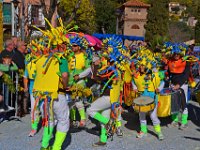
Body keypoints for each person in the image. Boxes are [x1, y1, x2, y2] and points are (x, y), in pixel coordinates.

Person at [87, 57, 122, 146]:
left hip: (108, 97)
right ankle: (103, 140)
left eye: (106, 60)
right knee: (103, 119)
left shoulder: (111, 71)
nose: (104, 61)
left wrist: (95, 65)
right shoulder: (117, 71)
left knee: (89, 110)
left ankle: (109, 123)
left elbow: (95, 77)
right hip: (112, 99)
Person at [132, 64, 165, 140]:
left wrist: (159, 89)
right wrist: (135, 88)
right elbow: (133, 82)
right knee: (142, 116)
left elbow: (162, 82)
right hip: (141, 99)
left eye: (143, 66)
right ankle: (143, 131)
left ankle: (159, 132)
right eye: (140, 66)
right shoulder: (137, 75)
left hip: (152, 98)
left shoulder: (155, 75)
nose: (141, 67)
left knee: (153, 116)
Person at [166, 53, 190, 130]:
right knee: (174, 103)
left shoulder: (186, 62)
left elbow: (186, 75)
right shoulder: (170, 61)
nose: (176, 55)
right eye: (175, 54)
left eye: (178, 54)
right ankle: (175, 120)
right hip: (173, 84)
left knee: (183, 103)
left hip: (182, 85)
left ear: (181, 54)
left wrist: (179, 85)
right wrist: (169, 79)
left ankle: (184, 122)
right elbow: (170, 73)